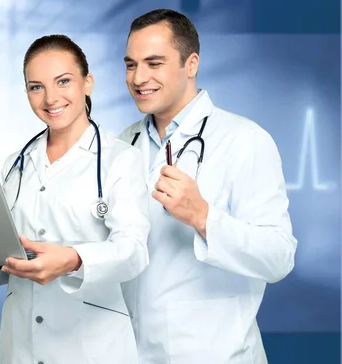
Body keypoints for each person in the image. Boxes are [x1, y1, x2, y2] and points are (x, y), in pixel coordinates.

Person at [0, 34, 151, 364]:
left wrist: (73, 259)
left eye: (63, 81)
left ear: (87, 82)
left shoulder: (121, 159)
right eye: (36, 87)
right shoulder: (16, 165)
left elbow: (133, 252)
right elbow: (5, 259)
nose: (51, 97)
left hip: (93, 347)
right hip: (21, 345)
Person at [118, 9, 298, 364]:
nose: (139, 78)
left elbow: (279, 257)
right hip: (129, 350)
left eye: (154, 63)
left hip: (213, 353)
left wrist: (203, 217)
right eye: (130, 64)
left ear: (191, 64)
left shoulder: (245, 140)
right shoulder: (123, 144)